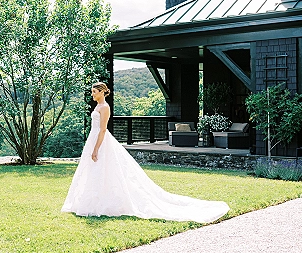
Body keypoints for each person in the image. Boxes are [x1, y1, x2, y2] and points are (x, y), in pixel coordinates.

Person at [61, 82, 229, 223]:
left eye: (94, 92)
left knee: (104, 168)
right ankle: (91, 201)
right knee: (93, 171)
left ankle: (102, 202)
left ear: (102, 92)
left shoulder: (104, 107)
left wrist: (96, 148)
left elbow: (103, 130)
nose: (92, 94)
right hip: (93, 138)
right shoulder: (97, 106)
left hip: (100, 140)